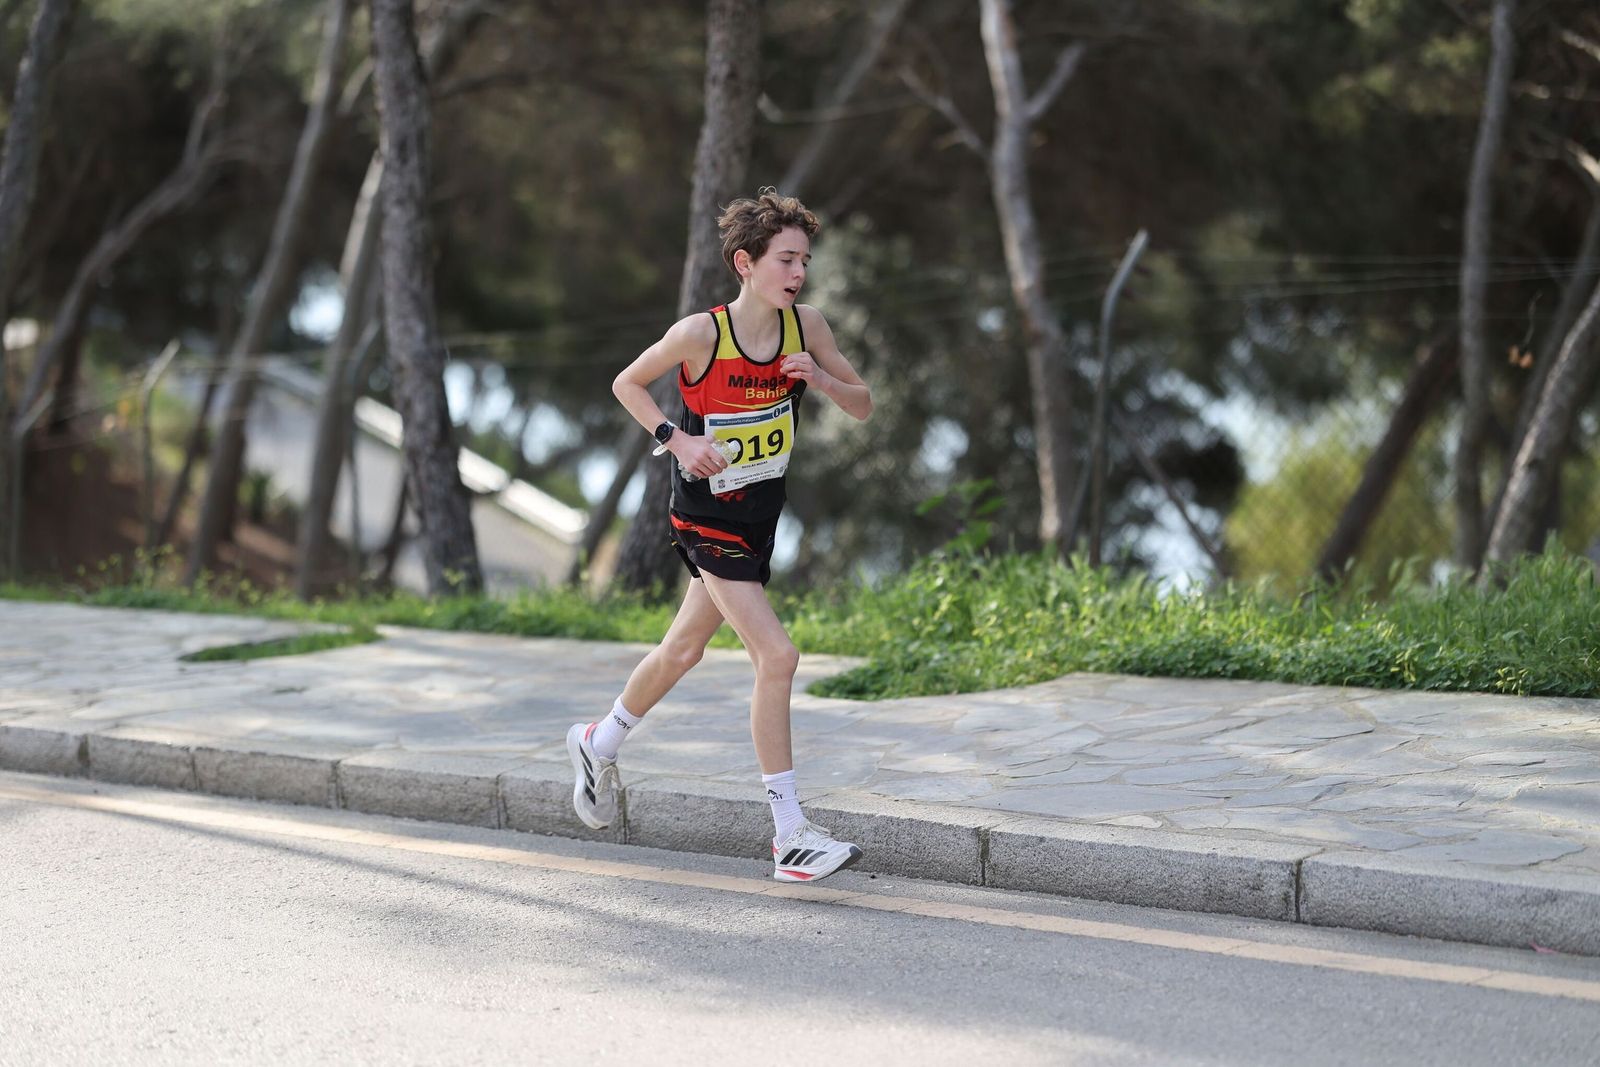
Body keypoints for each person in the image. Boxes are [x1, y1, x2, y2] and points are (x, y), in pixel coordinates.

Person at [567, 188, 873, 883]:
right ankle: (789, 835)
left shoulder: (807, 327)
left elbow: (863, 404)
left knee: (683, 649)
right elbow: (627, 384)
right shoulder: (701, 335)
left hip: (759, 517)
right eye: (786, 259)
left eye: (804, 260)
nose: (798, 273)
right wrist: (676, 440)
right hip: (704, 516)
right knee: (778, 656)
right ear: (746, 263)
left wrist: (821, 379)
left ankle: (598, 740)